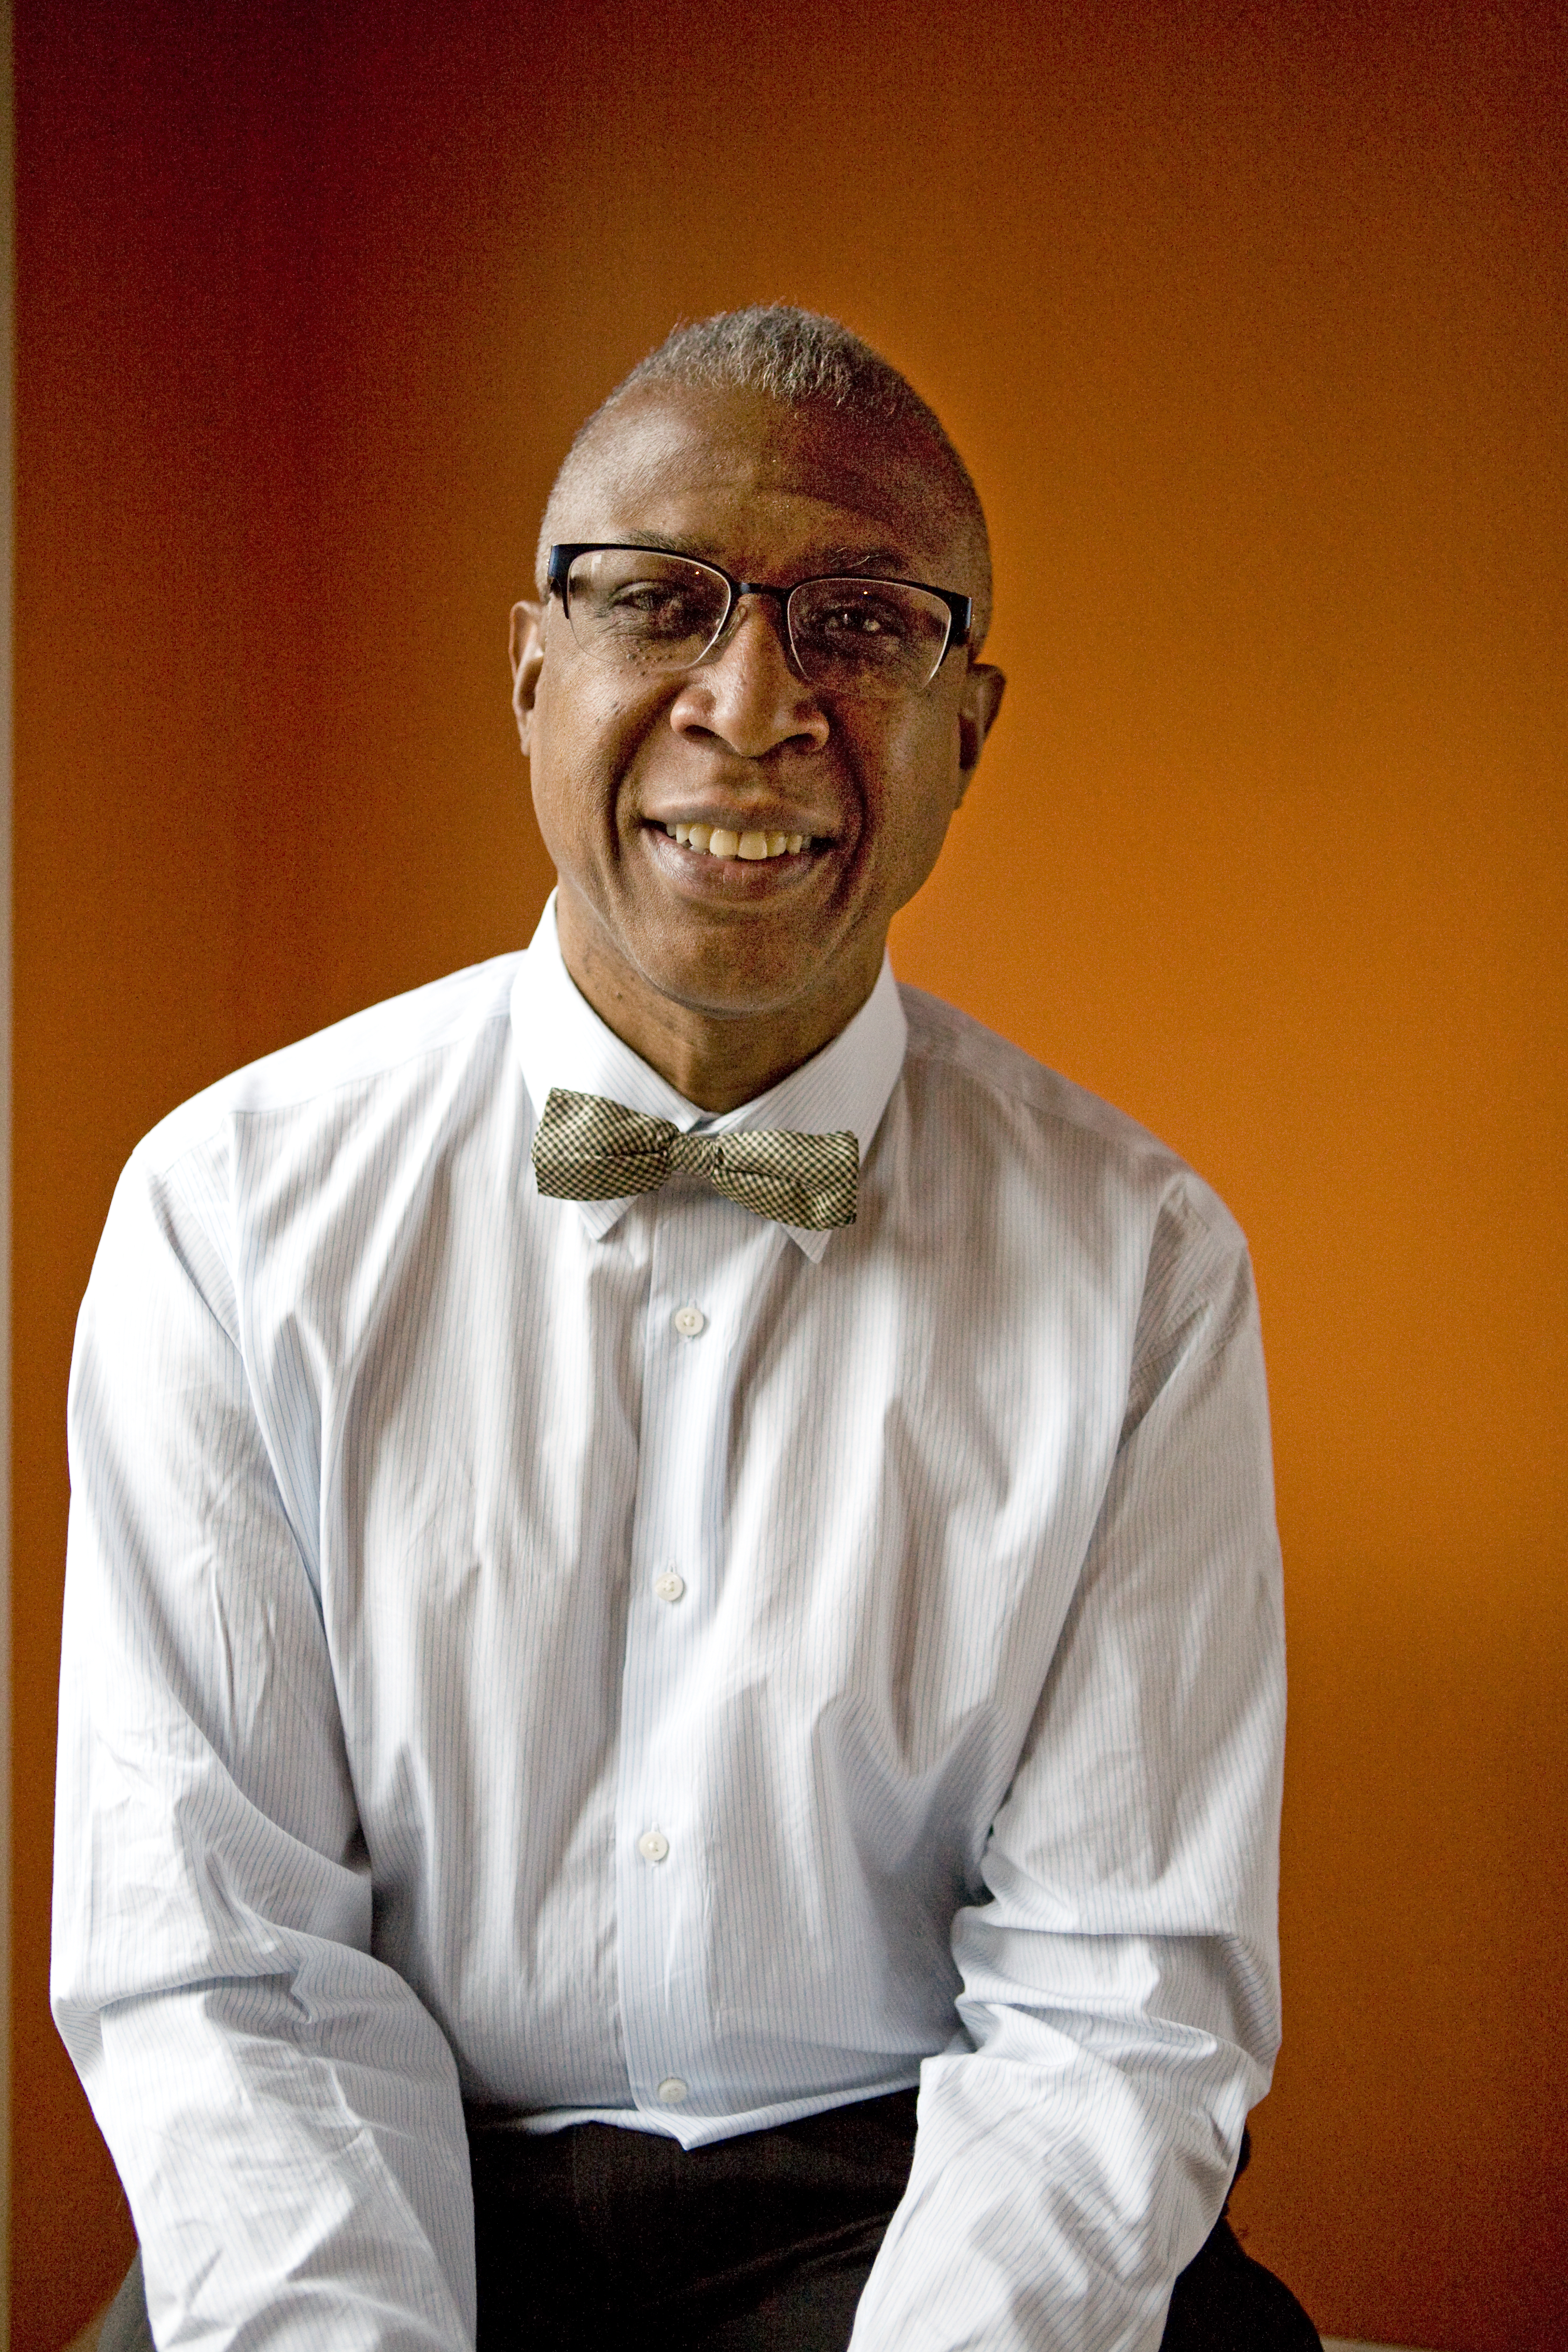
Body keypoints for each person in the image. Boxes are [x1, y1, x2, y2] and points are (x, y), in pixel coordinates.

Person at [53, 306, 1318, 2351]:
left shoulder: (1148, 1267)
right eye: (666, 604)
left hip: (923, 2203)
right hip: (392, 2181)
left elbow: (1120, 2004)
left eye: (862, 622)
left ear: (968, 728)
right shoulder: (228, 1214)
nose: (756, 703)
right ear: (533, 674)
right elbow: (223, 1967)